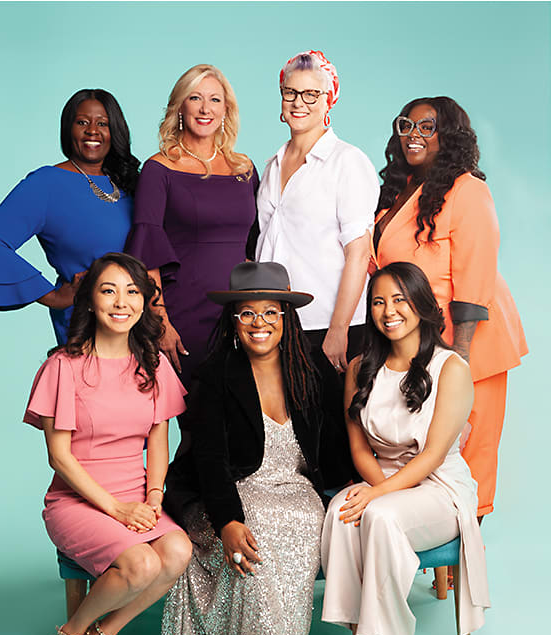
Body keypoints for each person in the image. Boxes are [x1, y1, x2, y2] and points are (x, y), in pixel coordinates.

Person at [161, 262, 339, 635]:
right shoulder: (214, 375)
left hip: (294, 487)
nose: (259, 323)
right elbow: (210, 461)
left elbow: (335, 442)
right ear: (233, 321)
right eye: (247, 313)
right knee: (256, 537)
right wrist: (228, 521)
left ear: (286, 318)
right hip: (229, 490)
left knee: (300, 528)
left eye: (270, 312)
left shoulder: (311, 367)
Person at [23, 253, 192, 635]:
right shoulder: (64, 366)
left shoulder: (153, 364)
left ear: (144, 302)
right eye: (108, 290)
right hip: (79, 500)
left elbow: (159, 438)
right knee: (140, 562)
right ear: (90, 301)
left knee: (177, 550)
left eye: (133, 291)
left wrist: (154, 497)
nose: (122, 302)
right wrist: (117, 509)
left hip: (135, 495)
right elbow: (59, 457)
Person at [321, 262, 490, 635]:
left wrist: (378, 494)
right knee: (342, 509)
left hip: (440, 488)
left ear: (422, 305)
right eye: (378, 301)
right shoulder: (361, 367)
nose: (388, 310)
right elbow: (359, 448)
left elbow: (433, 455)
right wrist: (378, 488)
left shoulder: (449, 367)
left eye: (399, 299)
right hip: (384, 476)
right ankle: (360, 629)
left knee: (379, 516)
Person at [374, 96, 527, 523]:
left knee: (473, 445)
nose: (414, 135)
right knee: (426, 444)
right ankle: (429, 531)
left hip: (471, 339)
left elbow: (477, 274)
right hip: (420, 340)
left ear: (450, 136)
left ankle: (467, 551)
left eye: (428, 126)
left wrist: (459, 355)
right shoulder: (399, 192)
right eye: (407, 125)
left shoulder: (468, 190)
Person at [255, 50, 379, 483]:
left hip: (329, 323)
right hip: (279, 325)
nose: (299, 102)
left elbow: (359, 252)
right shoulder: (272, 165)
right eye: (291, 92)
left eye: (312, 94)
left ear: (330, 100)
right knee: (298, 438)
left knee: (339, 442)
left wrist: (339, 329)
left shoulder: (348, 163)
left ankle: (349, 541)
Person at [0, 89, 140, 345]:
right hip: (86, 325)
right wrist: (52, 296)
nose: (92, 131)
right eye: (82, 122)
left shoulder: (131, 182)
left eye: (103, 123)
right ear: (68, 129)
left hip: (139, 321)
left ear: (115, 131)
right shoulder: (46, 184)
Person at [125, 64, 258, 386]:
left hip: (243, 315)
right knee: (197, 422)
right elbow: (146, 253)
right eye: (195, 98)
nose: (204, 108)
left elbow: (258, 244)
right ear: (180, 107)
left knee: (240, 419)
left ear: (226, 108)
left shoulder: (245, 168)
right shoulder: (159, 169)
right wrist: (160, 324)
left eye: (214, 99)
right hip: (185, 313)